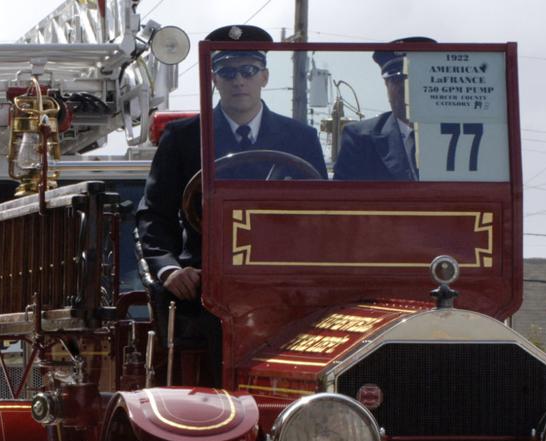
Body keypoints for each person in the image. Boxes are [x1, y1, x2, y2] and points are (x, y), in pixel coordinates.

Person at [136, 24, 328, 386]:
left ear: (264, 76)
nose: (239, 80)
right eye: (227, 71)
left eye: (248, 70)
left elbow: (321, 215)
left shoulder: (301, 138)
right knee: (216, 320)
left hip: (284, 279)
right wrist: (170, 270)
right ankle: (216, 421)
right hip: (206, 283)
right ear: (215, 78)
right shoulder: (183, 138)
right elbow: (154, 213)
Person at [332, 37, 436, 181]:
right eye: (397, 80)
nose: (406, 88)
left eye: (414, 78)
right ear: (386, 85)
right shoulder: (361, 140)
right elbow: (344, 198)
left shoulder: (458, 133)